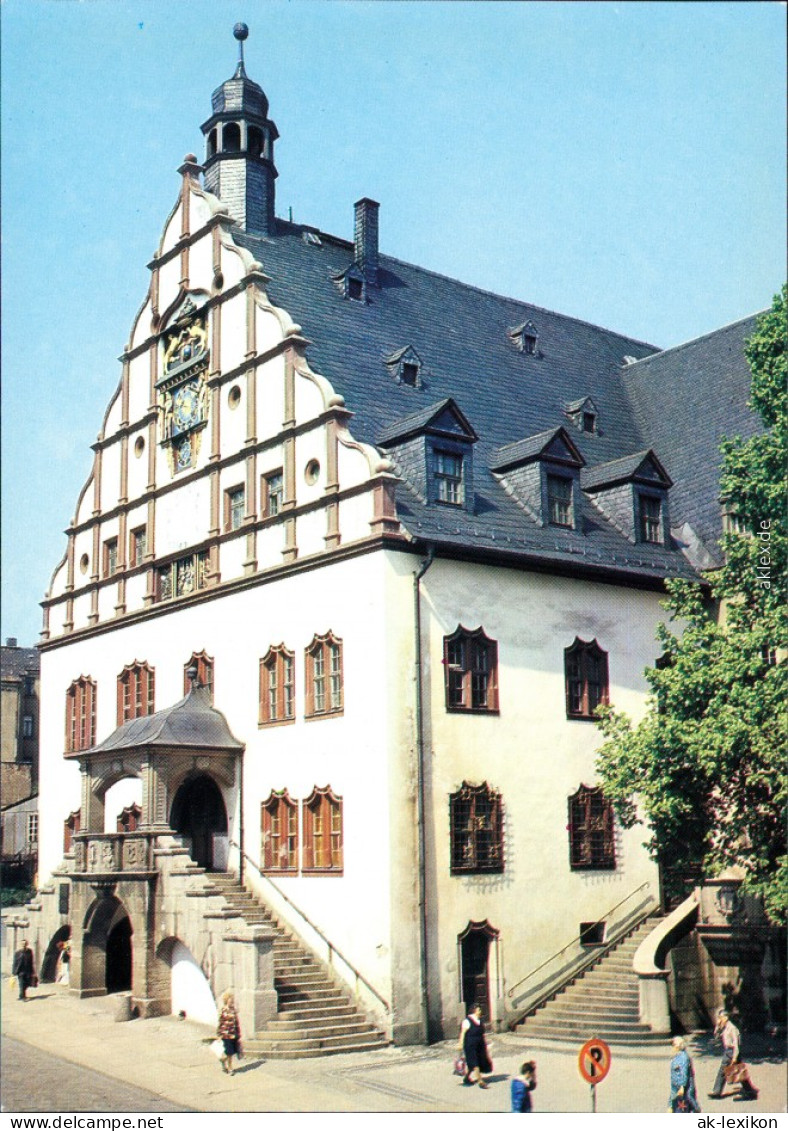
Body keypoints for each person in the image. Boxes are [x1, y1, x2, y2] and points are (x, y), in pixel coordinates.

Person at [708, 1009, 758, 1100]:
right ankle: (717, 1091)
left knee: (734, 1071)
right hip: (727, 1051)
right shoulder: (724, 1027)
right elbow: (716, 1036)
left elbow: (736, 1044)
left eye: (721, 1017)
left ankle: (749, 1092)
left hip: (732, 1052)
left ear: (726, 1017)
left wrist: (734, 1057)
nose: (720, 1019)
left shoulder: (732, 1028)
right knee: (730, 1071)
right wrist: (718, 1026)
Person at [459, 1003, 492, 1089]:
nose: (480, 1011)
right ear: (474, 1011)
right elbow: (463, 1033)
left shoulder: (480, 1021)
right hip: (470, 1044)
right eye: (478, 1010)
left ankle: (466, 1078)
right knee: (474, 1062)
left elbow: (481, 1032)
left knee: (475, 1062)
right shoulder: (467, 1021)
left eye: (480, 1009)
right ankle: (480, 1081)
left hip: (480, 1044)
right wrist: (460, 1043)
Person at [668, 1037, 700, 1113]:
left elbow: (684, 1072)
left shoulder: (683, 1057)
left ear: (678, 1046)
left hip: (684, 1086)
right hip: (676, 1085)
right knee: (676, 1104)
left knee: (685, 1104)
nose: (672, 1047)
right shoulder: (676, 1056)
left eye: (674, 1045)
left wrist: (682, 1086)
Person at [216, 990, 242, 1075]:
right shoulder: (224, 1010)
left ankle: (224, 1061)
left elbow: (236, 1022)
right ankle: (230, 1068)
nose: (231, 1001)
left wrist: (238, 1033)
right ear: (226, 1000)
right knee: (229, 1052)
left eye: (232, 1000)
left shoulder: (233, 1010)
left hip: (233, 1034)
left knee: (232, 1052)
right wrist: (219, 1035)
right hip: (226, 1035)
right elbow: (220, 1022)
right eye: (230, 1000)